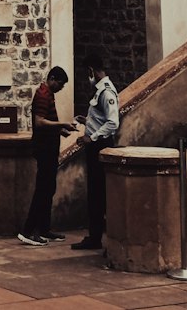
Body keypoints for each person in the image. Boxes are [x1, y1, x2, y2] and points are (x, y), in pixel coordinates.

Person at [17, 65, 76, 246]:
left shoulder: (48, 94)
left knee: (48, 189)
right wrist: (61, 124)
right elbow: (40, 122)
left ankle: (44, 228)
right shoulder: (43, 95)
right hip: (44, 150)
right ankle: (28, 231)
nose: (61, 88)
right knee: (42, 190)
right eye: (60, 84)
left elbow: (46, 123)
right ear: (52, 79)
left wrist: (62, 130)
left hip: (48, 149)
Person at [71, 50, 119, 251]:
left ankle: (96, 236)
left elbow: (113, 122)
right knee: (95, 192)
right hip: (96, 146)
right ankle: (95, 235)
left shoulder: (106, 92)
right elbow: (101, 118)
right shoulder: (101, 90)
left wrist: (92, 136)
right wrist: (87, 121)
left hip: (100, 146)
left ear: (91, 70)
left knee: (98, 193)